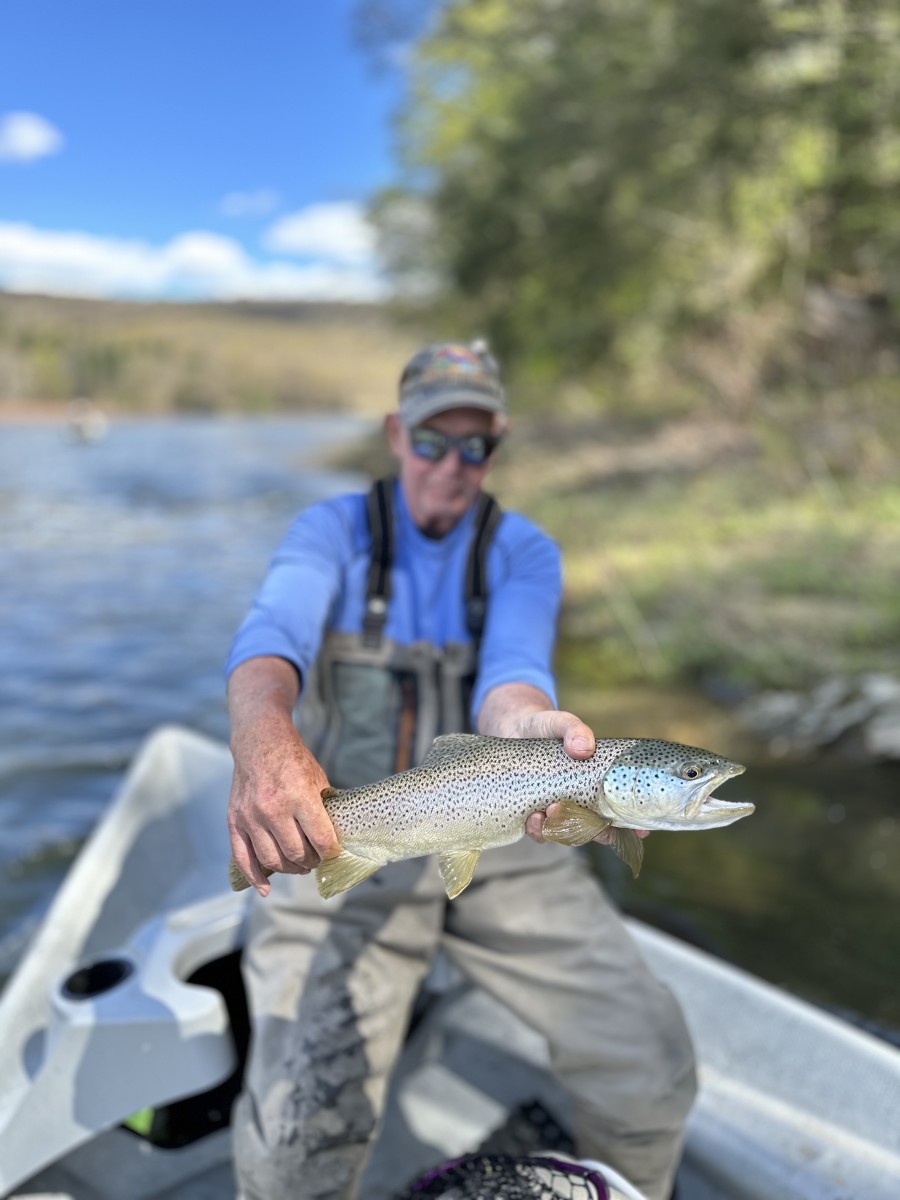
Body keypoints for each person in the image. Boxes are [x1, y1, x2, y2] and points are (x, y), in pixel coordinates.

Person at [225, 341, 696, 1200]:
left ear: (498, 445)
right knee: (296, 1142)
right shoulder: (328, 532)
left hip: (508, 834)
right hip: (353, 833)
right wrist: (262, 740)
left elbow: (510, 682)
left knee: (652, 1062)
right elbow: (269, 640)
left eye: (476, 445)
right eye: (432, 440)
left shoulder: (522, 552)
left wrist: (531, 732)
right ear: (394, 434)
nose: (453, 465)